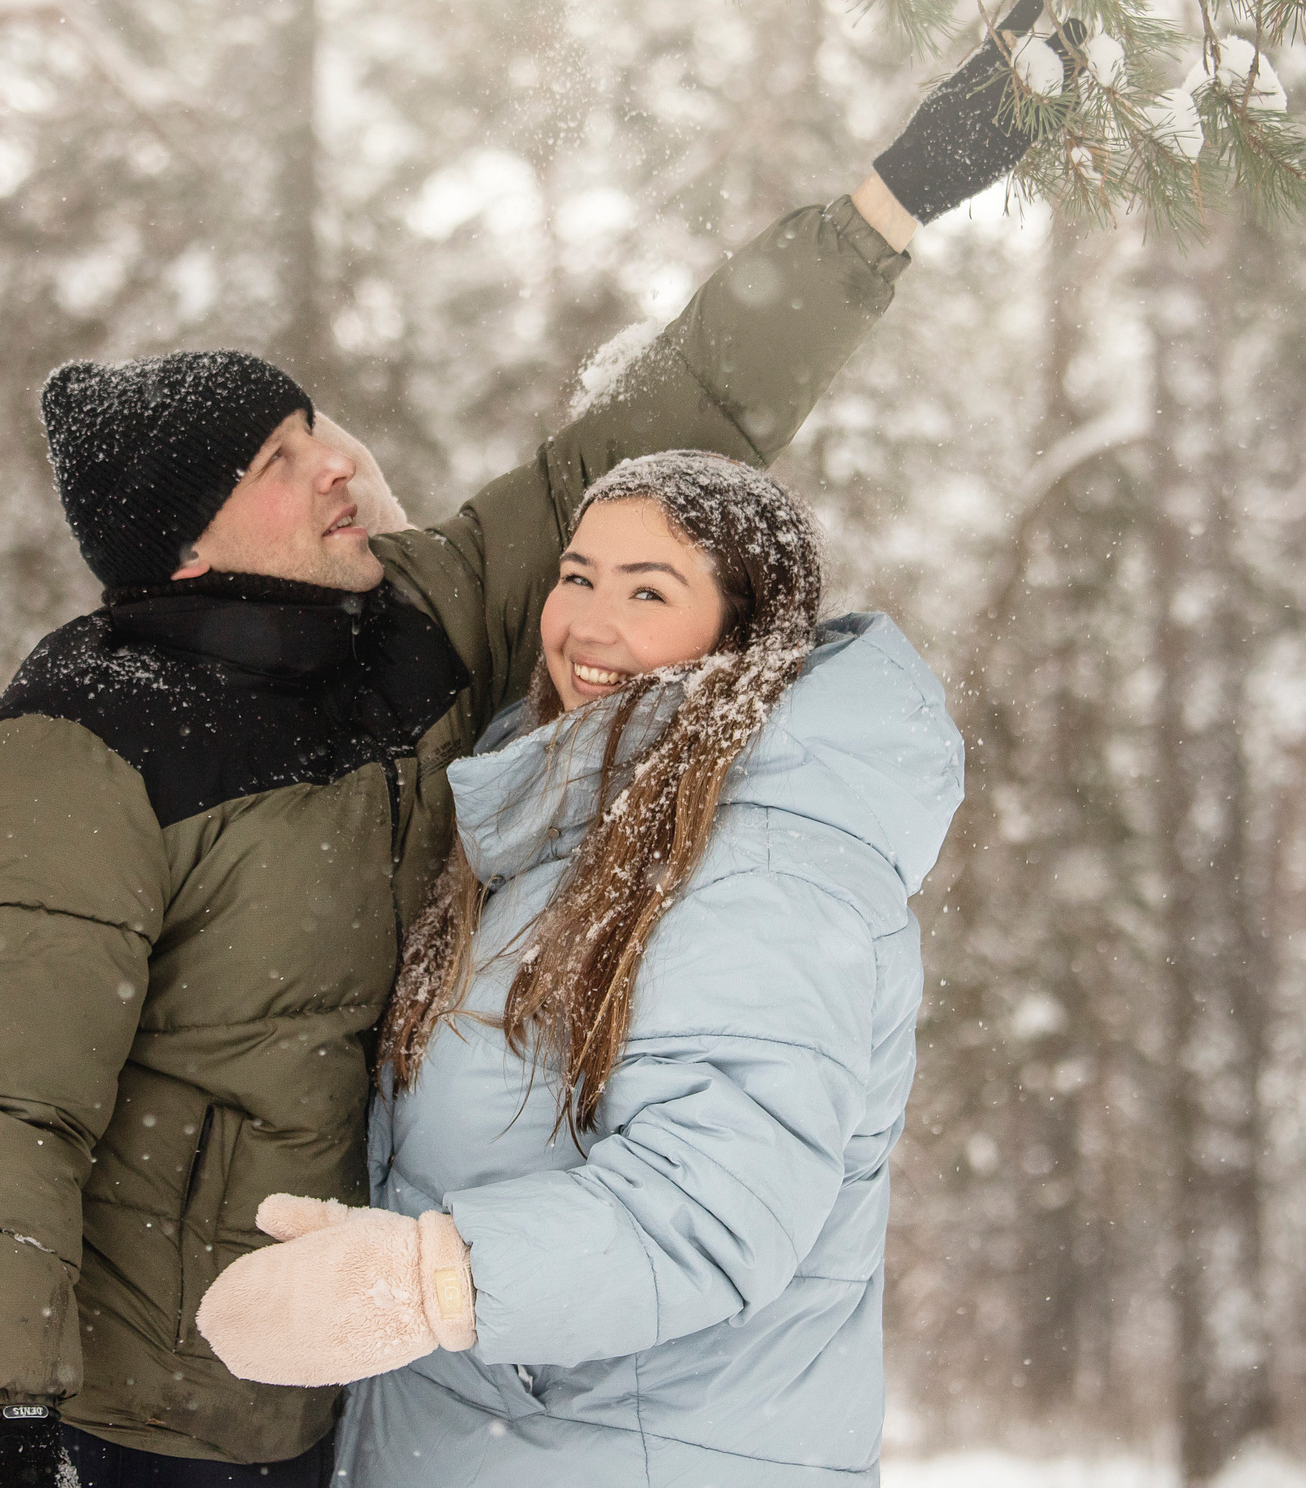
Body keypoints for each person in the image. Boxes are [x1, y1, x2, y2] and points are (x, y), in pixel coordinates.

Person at [0, 0, 1075, 1488]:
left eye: (314, 428)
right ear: (184, 549)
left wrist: (890, 204)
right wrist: (5, 1406)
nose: (335, 467)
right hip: (151, 1407)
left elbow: (661, 425)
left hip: (367, 1375)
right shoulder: (83, 742)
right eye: (277, 460)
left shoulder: (414, 623)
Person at [193, 451, 961, 1486]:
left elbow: (712, 1210)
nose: (587, 623)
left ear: (743, 630)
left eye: (649, 589)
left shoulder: (765, 867)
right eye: (577, 575)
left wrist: (427, 1280)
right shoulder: (575, 824)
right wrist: (388, 1244)